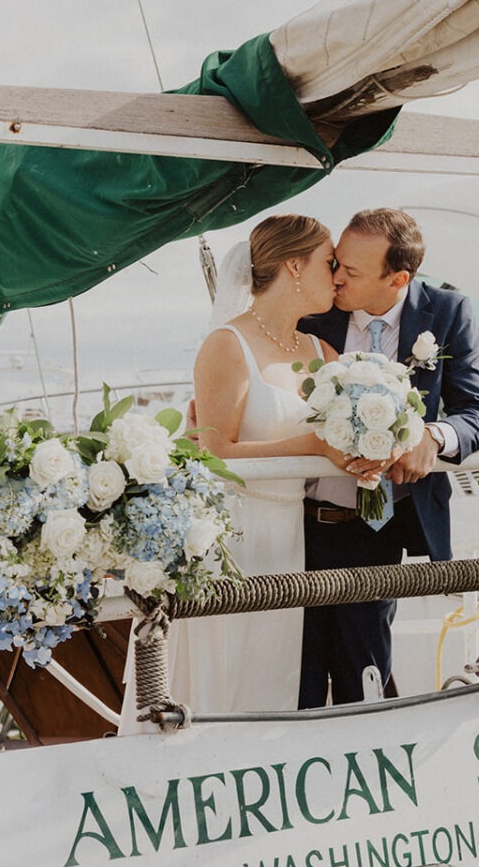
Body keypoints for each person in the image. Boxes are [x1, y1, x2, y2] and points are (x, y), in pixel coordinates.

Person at [119, 213, 365, 730]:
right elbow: (214, 455)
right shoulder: (227, 346)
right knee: (225, 678)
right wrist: (311, 445)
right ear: (294, 267)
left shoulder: (323, 352)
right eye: (329, 262)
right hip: (234, 534)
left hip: (289, 538)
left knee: (272, 681)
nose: (338, 274)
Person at [297, 207, 479, 708]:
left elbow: (478, 414)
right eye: (336, 263)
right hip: (297, 521)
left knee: (362, 669)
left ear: (398, 278)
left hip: (381, 522)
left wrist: (432, 436)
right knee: (296, 670)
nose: (335, 277)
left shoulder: (447, 313)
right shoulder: (311, 312)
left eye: (351, 271)